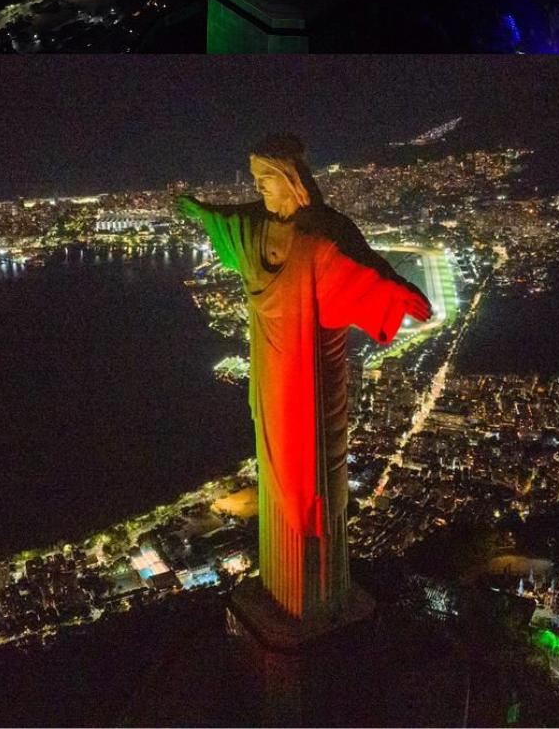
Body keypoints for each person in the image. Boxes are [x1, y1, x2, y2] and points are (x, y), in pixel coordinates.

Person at [175, 131, 431, 621]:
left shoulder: (321, 233)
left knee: (312, 465)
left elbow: (364, 268)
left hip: (312, 373)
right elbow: (229, 218)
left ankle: (312, 598)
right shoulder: (257, 227)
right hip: (270, 367)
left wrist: (399, 292)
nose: (259, 189)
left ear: (291, 179)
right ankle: (289, 588)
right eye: (256, 180)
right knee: (275, 458)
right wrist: (201, 211)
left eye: (265, 180)